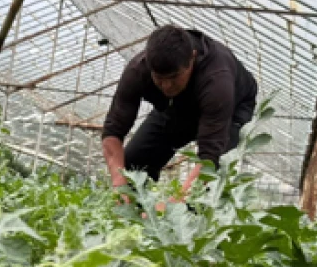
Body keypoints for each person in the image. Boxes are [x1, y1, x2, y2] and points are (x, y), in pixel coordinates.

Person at [101, 25, 258, 201]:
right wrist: (120, 184)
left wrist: (176, 204)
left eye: (174, 77)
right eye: (159, 79)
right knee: (132, 171)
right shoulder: (137, 70)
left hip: (230, 111)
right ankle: (136, 219)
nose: (167, 86)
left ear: (192, 57)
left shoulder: (217, 80)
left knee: (206, 190)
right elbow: (113, 131)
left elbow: (209, 157)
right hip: (177, 107)